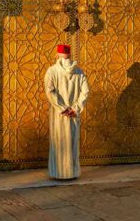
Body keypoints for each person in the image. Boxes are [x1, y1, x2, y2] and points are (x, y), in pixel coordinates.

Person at [44, 44, 89, 179]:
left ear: (57, 55)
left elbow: (49, 91)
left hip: (59, 114)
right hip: (74, 114)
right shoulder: (79, 72)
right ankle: (72, 172)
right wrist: (75, 108)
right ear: (70, 55)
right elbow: (85, 91)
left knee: (59, 141)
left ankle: (58, 173)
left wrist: (62, 108)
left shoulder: (52, 71)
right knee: (72, 142)